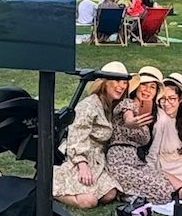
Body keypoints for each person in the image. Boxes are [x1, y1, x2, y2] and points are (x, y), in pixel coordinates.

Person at [52, 61, 128, 208]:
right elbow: (77, 134)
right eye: (117, 81)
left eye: (124, 82)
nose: (122, 86)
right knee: (89, 201)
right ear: (104, 83)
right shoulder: (89, 105)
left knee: (110, 194)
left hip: (98, 160)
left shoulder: (111, 105)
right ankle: (49, 186)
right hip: (81, 157)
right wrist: (82, 164)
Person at [105, 66, 173, 201]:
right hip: (119, 161)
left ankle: (128, 194)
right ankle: (125, 193)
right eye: (144, 85)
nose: (147, 90)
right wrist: (130, 122)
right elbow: (128, 117)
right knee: (164, 191)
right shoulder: (127, 103)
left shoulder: (151, 116)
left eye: (152, 87)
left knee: (171, 187)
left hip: (136, 162)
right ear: (136, 87)